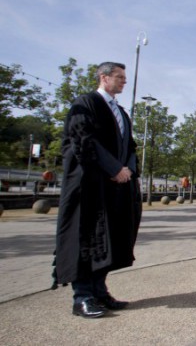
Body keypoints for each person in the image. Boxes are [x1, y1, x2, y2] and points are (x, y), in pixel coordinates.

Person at [53, 62, 142, 318]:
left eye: (125, 77)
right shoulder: (86, 103)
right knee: (86, 237)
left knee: (110, 238)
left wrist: (128, 171)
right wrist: (114, 168)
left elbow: (131, 147)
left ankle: (100, 291)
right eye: (120, 77)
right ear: (104, 77)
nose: (124, 81)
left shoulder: (121, 112)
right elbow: (83, 139)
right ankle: (82, 297)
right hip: (91, 186)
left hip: (116, 187)